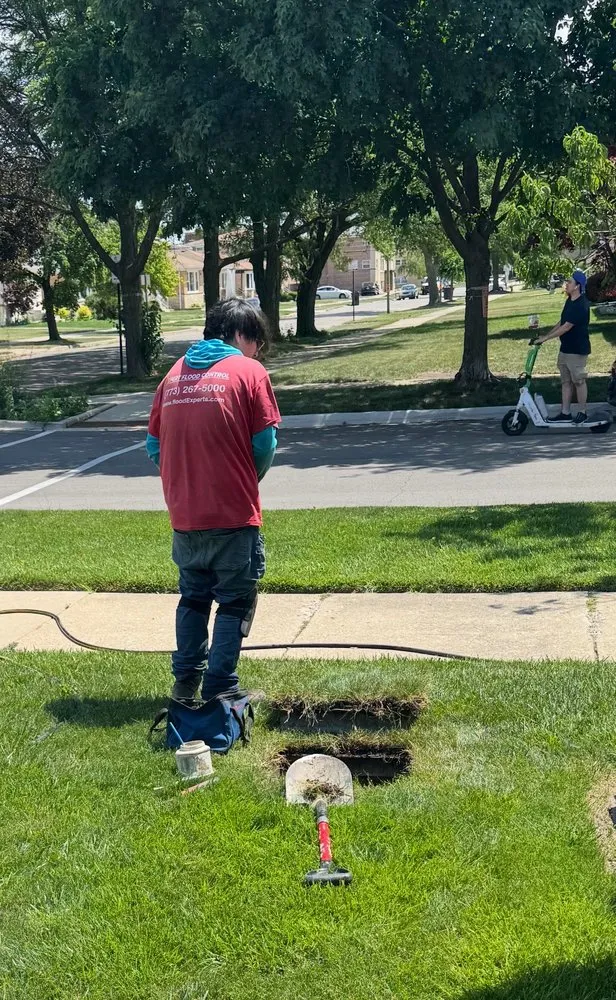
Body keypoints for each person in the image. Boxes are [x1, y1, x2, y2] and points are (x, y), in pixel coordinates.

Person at [146, 298, 280, 702]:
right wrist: (246, 478)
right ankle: (222, 687)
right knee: (237, 601)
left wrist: (185, 479)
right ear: (240, 335)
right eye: (255, 340)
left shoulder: (171, 377)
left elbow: (154, 447)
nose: (256, 349)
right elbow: (265, 443)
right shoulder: (249, 371)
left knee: (193, 598)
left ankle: (185, 683)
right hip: (233, 513)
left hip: (185, 515)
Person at [535, 269, 591, 424]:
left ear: (577, 286)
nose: (567, 284)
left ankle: (583, 412)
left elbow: (567, 327)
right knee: (566, 382)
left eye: (570, 282)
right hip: (565, 349)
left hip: (577, 350)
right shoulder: (570, 301)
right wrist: (545, 336)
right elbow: (561, 322)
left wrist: (546, 339)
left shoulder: (581, 304)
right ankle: (565, 413)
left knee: (579, 381)